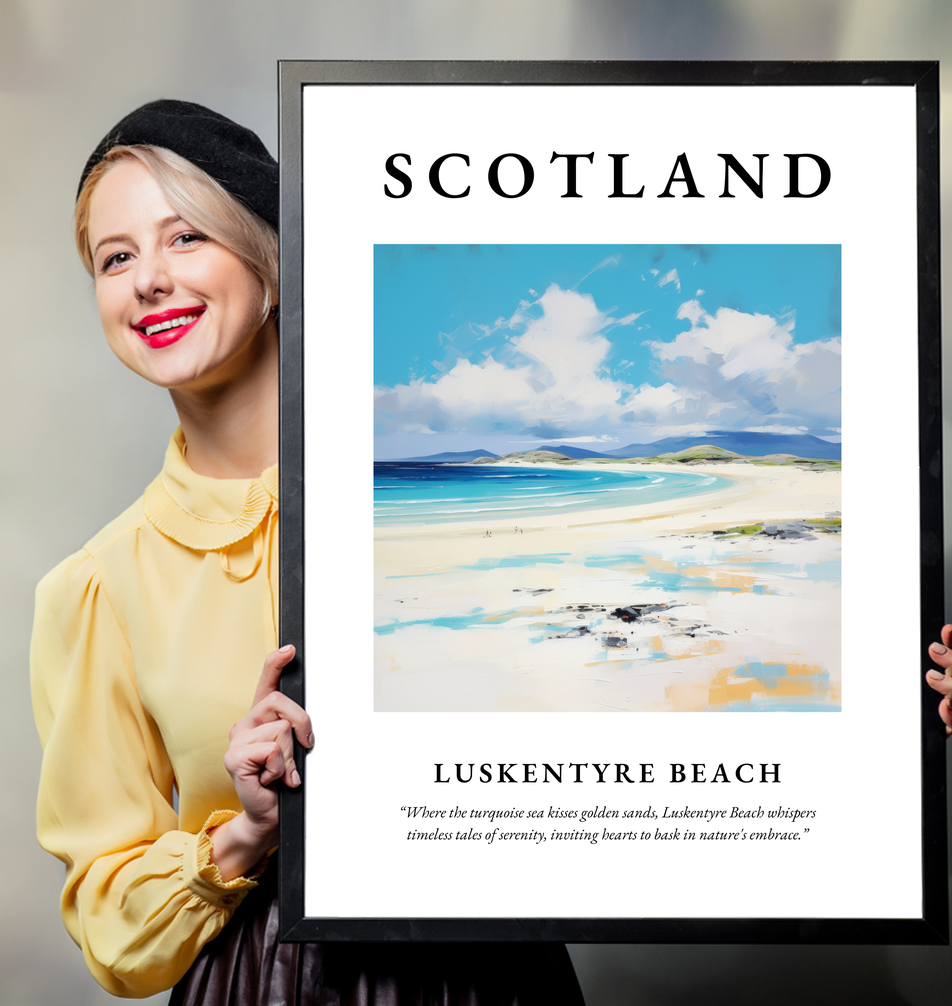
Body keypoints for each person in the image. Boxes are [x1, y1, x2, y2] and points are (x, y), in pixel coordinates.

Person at [30, 100, 585, 1004]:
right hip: (263, 981)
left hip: (493, 972)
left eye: (186, 239)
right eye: (116, 257)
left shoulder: (447, 506)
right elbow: (110, 924)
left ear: (273, 264)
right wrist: (245, 832)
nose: (148, 281)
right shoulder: (97, 587)